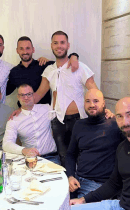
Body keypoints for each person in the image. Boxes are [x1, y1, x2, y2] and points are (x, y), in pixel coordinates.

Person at [66, 89, 130, 199]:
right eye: (88, 101)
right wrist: (70, 176)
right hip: (77, 180)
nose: (92, 105)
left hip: (98, 185)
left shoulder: (115, 124)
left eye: (96, 101)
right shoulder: (79, 125)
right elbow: (70, 154)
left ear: (104, 104)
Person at [33, 31, 99, 166]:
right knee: (63, 158)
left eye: (62, 42)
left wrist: (103, 110)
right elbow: (38, 94)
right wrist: (20, 108)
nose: (59, 46)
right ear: (51, 46)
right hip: (58, 122)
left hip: (79, 120)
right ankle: (68, 185)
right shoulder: (49, 71)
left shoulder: (79, 66)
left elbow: (95, 91)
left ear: (68, 45)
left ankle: (83, 186)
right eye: (55, 43)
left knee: (82, 156)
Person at [6, 36, 79, 105]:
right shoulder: (14, 72)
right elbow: (6, 91)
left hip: (45, 111)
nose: (25, 52)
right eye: (21, 48)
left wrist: (74, 56)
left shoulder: (44, 65)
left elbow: (63, 62)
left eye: (28, 48)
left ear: (33, 49)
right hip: (24, 110)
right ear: (17, 50)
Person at [3, 83, 60, 164]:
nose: (26, 97)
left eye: (29, 94)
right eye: (22, 95)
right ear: (18, 97)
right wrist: (24, 150)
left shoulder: (46, 108)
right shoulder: (14, 120)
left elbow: (61, 108)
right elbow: (6, 144)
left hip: (51, 158)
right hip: (30, 160)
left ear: (33, 95)